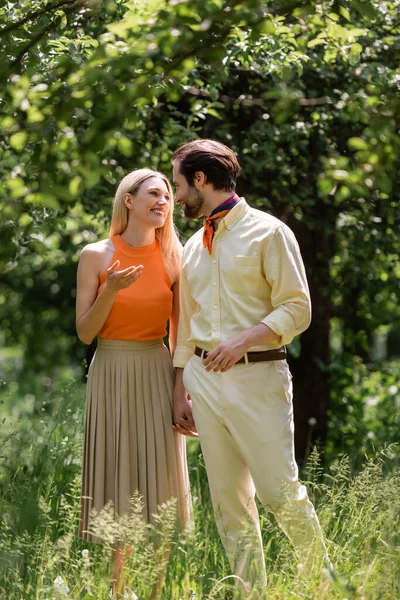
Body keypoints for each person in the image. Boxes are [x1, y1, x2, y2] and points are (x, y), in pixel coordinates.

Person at [172, 139, 329, 593]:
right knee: (228, 502)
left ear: (200, 180)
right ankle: (250, 591)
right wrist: (179, 387)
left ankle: (323, 583)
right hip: (203, 382)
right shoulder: (192, 247)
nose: (178, 195)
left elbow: (297, 308)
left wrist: (243, 340)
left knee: (280, 493)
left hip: (259, 377)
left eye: (180, 184)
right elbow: (186, 321)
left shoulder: (270, 232)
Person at [75, 169, 192, 597]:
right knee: (117, 474)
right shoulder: (96, 255)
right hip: (110, 368)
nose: (164, 202)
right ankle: (116, 589)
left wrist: (182, 389)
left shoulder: (175, 256)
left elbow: (181, 333)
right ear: (129, 200)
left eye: (168, 195)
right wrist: (111, 290)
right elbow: (85, 333)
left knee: (160, 480)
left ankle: (157, 590)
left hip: (157, 368)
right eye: (154, 194)